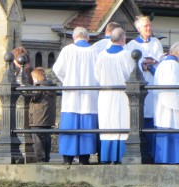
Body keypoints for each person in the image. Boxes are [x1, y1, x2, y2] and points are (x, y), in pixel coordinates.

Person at [52, 27, 99, 165]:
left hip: (71, 95)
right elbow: (98, 73)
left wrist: (67, 80)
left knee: (70, 125)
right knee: (87, 125)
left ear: (74, 37)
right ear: (88, 38)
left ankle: (68, 158)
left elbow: (57, 69)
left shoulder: (67, 50)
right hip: (89, 95)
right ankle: (84, 157)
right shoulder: (95, 51)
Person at [95, 28, 135, 164]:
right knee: (121, 123)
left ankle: (106, 157)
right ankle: (120, 156)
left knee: (108, 125)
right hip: (122, 94)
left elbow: (97, 76)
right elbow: (133, 75)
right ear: (123, 39)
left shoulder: (101, 55)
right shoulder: (127, 55)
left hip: (105, 94)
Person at [126, 16, 164, 137]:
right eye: (146, 26)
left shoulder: (156, 42)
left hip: (154, 82)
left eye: (150, 25)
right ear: (139, 29)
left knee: (153, 110)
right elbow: (130, 63)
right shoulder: (132, 44)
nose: (149, 28)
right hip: (140, 83)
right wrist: (144, 65)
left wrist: (153, 64)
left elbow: (160, 61)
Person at [153, 42, 179, 164]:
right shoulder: (172, 65)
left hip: (163, 106)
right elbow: (172, 90)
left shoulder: (163, 64)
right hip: (170, 108)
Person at [29, 67, 56, 162]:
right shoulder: (51, 87)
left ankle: (40, 158)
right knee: (46, 138)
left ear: (36, 79)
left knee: (37, 138)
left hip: (38, 118)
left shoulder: (38, 87)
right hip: (48, 119)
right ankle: (47, 156)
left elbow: (33, 98)